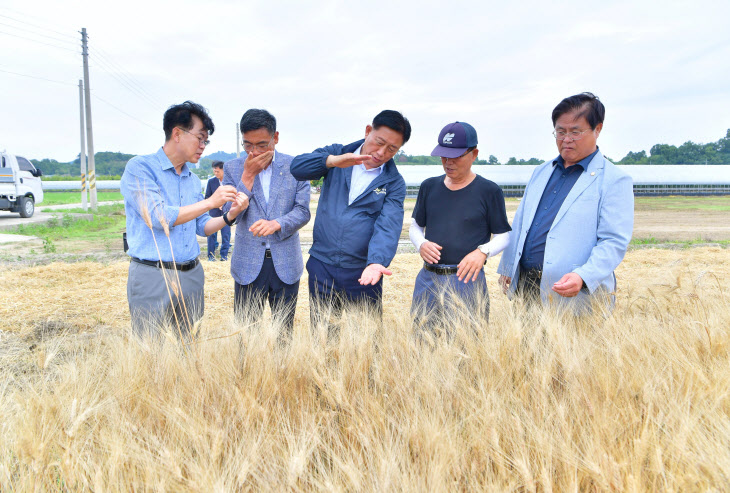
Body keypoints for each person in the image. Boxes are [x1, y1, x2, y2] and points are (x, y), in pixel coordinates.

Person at [121, 101, 248, 338]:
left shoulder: (191, 179)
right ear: (177, 133)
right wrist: (211, 202)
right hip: (153, 275)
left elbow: (202, 226)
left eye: (206, 141)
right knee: (152, 354)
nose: (203, 147)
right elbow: (159, 217)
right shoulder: (140, 168)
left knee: (190, 351)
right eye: (200, 138)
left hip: (191, 274)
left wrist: (230, 215)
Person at [497, 92, 634, 312]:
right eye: (560, 132)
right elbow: (521, 222)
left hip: (575, 294)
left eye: (575, 132)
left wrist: (583, 275)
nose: (566, 139)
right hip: (528, 288)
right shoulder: (541, 172)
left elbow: (613, 242)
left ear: (597, 129)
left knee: (576, 346)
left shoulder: (614, 180)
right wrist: (508, 266)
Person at [290, 110, 410, 327]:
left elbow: (388, 226)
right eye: (379, 142)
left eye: (391, 149)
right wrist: (333, 162)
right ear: (367, 131)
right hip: (323, 264)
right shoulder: (337, 153)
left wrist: (376, 263)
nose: (381, 152)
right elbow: (297, 168)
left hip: (363, 271)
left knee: (365, 339)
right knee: (323, 336)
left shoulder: (393, 182)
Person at [410, 121, 511, 327]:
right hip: (428, 278)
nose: (448, 162)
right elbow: (415, 226)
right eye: (444, 156)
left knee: (467, 346)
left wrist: (482, 252)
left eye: (456, 156)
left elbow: (504, 235)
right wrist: (421, 243)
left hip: (466, 280)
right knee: (421, 342)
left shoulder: (488, 191)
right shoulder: (429, 187)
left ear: (474, 154)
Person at [222, 109, 311, 342]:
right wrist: (248, 177)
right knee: (246, 336)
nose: (254, 152)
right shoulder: (233, 168)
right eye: (248, 145)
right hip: (247, 263)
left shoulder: (296, 167)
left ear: (276, 138)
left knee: (284, 334)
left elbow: (303, 211)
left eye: (262, 145)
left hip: (285, 263)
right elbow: (229, 215)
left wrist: (277, 224)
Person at [204, 160, 231, 261]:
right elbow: (207, 197)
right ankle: (211, 256)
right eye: (214, 171)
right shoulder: (211, 182)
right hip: (214, 213)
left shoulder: (229, 182)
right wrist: (215, 204)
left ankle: (224, 256)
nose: (215, 173)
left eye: (217, 171)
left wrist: (225, 204)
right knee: (211, 235)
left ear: (223, 170)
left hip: (226, 213)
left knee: (226, 235)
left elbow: (234, 196)